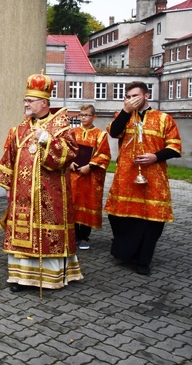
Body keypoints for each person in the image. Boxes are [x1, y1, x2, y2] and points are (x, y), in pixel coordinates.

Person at [0, 73, 82, 293]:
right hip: (22, 196)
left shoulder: (60, 125)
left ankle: (48, 278)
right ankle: (20, 277)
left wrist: (46, 140)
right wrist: (8, 186)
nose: (25, 104)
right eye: (25, 100)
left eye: (30, 101)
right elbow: (10, 156)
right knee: (21, 233)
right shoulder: (20, 128)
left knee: (45, 235)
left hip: (48, 195)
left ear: (43, 102)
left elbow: (68, 154)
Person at [104, 81, 181, 275]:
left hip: (153, 177)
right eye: (128, 97)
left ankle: (143, 260)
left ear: (146, 96)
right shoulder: (123, 117)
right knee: (118, 215)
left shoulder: (163, 118)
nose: (131, 100)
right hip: (126, 176)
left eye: (135, 96)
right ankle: (126, 252)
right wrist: (126, 111)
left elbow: (175, 147)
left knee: (152, 219)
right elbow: (114, 132)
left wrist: (155, 156)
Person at [68, 104, 111, 250]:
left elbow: (104, 155)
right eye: (81, 115)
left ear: (94, 116)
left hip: (90, 177)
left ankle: (84, 237)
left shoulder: (100, 134)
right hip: (73, 175)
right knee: (72, 203)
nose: (83, 118)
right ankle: (73, 236)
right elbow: (66, 150)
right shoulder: (72, 132)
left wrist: (90, 166)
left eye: (86, 115)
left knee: (87, 203)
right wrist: (70, 162)